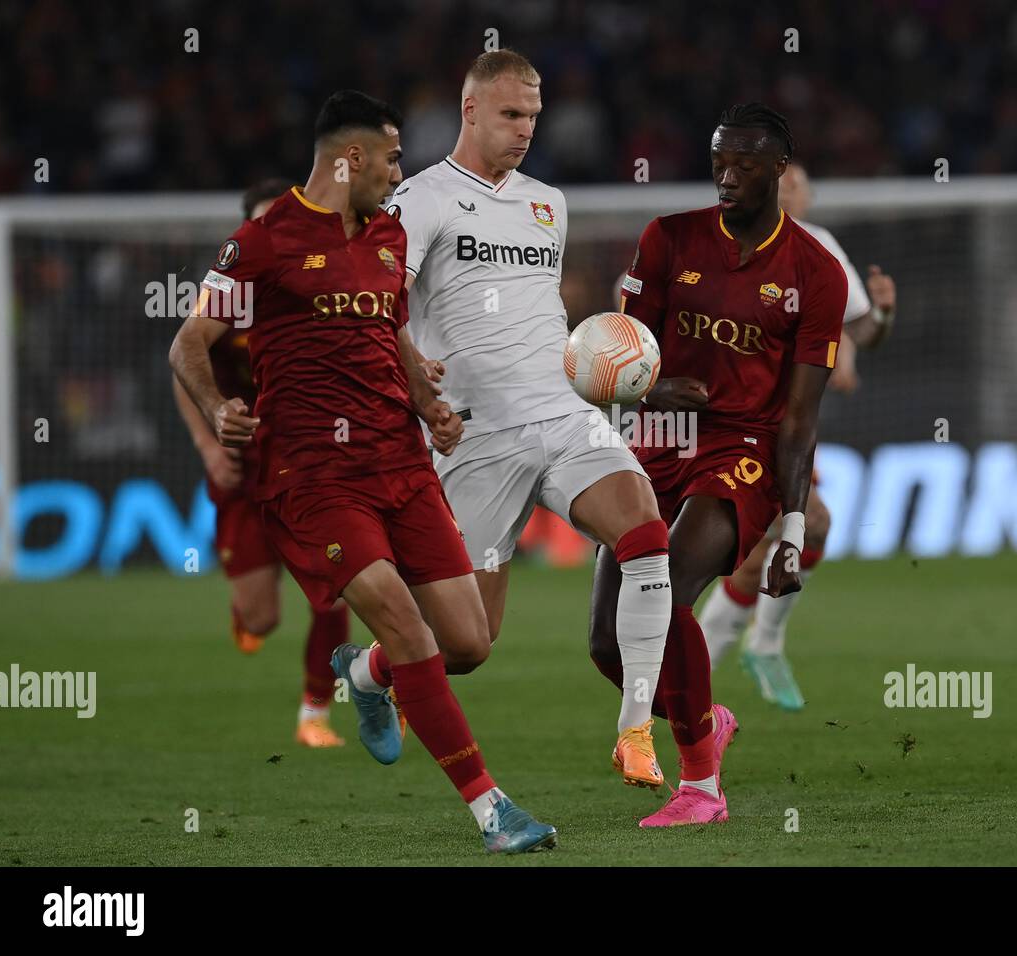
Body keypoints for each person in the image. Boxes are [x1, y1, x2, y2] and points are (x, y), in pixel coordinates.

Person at [169, 89, 556, 852]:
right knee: (407, 623)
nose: (398, 170)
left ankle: (367, 675)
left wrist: (429, 406)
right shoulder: (265, 240)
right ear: (351, 159)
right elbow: (187, 342)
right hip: (314, 478)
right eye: (391, 156)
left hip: (401, 465)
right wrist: (218, 408)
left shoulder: (387, 236)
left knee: (470, 643)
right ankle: (492, 810)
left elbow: (392, 336)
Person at [390, 50, 671, 791]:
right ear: (471, 110)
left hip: (563, 411)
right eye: (512, 115)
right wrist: (422, 394)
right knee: (469, 646)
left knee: (645, 534)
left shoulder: (549, 202)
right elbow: (380, 311)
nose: (525, 130)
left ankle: (635, 730)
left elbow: (533, 313)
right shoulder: (419, 200)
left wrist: (601, 360)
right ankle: (368, 668)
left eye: (534, 118)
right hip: (474, 433)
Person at [590, 103, 847, 826]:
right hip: (655, 440)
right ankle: (708, 720)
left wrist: (791, 530)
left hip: (741, 453)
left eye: (743, 163)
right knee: (610, 647)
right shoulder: (668, 239)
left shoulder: (815, 273)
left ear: (778, 170)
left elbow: (800, 417)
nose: (726, 175)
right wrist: (654, 383)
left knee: (660, 592)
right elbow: (624, 348)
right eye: (718, 161)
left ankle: (701, 787)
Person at [697, 162, 896, 710]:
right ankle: (753, 648)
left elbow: (862, 333)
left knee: (775, 543)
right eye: (776, 178)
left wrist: (881, 313)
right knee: (801, 529)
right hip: (729, 420)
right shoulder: (719, 244)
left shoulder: (821, 247)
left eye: (797, 180)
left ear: (807, 196)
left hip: (788, 426)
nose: (787, 185)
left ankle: (696, 683)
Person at [173, 178, 351, 748]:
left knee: (335, 590)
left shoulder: (317, 286)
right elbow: (182, 362)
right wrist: (207, 446)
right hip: (241, 467)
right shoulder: (226, 293)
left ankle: (314, 715)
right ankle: (247, 611)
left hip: (306, 464)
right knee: (263, 619)